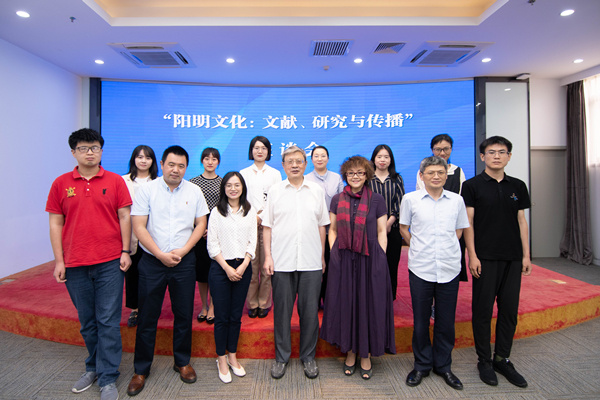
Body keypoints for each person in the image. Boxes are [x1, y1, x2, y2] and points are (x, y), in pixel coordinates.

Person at [46, 128, 132, 400]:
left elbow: (124, 217)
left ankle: (108, 377)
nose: (90, 152)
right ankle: (93, 366)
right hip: (74, 263)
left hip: (109, 261)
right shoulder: (61, 184)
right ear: (74, 152)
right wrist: (59, 260)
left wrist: (126, 251)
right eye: (84, 148)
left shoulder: (115, 181)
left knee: (107, 320)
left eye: (95, 147)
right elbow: (55, 222)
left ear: (101, 151)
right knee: (87, 321)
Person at [127, 146, 209, 396]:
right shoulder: (147, 190)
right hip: (153, 262)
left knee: (183, 315)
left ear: (186, 167)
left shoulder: (194, 190)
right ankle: (141, 369)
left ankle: (182, 362)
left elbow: (201, 224)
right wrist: (160, 254)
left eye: (181, 166)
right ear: (162, 164)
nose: (176, 170)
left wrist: (183, 251)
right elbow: (139, 226)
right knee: (147, 317)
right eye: (171, 164)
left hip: (184, 262)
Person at [462, 136, 532, 388]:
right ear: (482, 157)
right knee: (482, 311)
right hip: (485, 257)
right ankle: (484, 360)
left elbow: (521, 222)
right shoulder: (472, 185)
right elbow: (468, 223)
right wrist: (472, 255)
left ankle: (502, 357)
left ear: (509, 156)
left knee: (509, 311)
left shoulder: (518, 186)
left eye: (502, 152)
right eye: (491, 152)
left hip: (513, 257)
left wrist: (526, 254)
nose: (496, 156)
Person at [320, 155, 396, 380]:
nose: (355, 176)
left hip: (370, 258)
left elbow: (382, 232)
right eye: (351, 173)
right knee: (348, 304)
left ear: (367, 175)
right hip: (344, 257)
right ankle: (350, 352)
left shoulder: (377, 200)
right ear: (345, 176)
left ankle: (366, 355)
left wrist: (380, 256)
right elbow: (332, 229)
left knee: (368, 305)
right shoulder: (336, 199)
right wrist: (335, 253)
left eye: (360, 173)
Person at [400, 156, 469, 390]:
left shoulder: (457, 200)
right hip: (421, 267)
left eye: (440, 172)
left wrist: (445, 248)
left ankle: (444, 366)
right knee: (420, 321)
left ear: (446, 175)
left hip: (449, 267)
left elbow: (459, 230)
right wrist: (419, 247)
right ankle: (421, 365)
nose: (436, 176)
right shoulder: (410, 199)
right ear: (422, 176)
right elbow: (403, 228)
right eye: (431, 172)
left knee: (446, 321)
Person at [261, 146, 330, 380]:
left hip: (311, 260)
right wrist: (268, 256)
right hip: (282, 261)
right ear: (283, 165)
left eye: (299, 161)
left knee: (310, 313)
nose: (294, 165)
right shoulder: (275, 190)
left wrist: (321, 256)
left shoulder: (317, 191)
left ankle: (308, 357)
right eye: (289, 161)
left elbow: (322, 225)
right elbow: (267, 226)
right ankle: (281, 358)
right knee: (281, 313)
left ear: (305, 164)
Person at [207, 172, 257, 383]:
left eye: (237, 185)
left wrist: (244, 264)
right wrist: (227, 268)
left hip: (243, 267)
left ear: (243, 187)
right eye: (229, 185)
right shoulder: (216, 212)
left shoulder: (249, 210)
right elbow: (212, 244)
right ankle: (221, 358)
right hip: (221, 267)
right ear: (224, 188)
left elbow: (252, 241)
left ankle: (233, 356)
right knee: (222, 316)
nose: (233, 188)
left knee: (235, 316)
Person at [416, 134, 468, 281]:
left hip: (451, 223)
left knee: (450, 266)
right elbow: (423, 194)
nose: (442, 153)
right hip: (429, 222)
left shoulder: (458, 171)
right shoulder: (423, 171)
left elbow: (460, 197)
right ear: (432, 150)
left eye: (446, 149)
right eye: (438, 149)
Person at [240, 136, 282, 319]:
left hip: (268, 225)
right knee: (251, 267)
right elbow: (239, 198)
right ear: (251, 151)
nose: (259, 151)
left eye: (263, 148)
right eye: (256, 148)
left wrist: (262, 216)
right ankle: (252, 303)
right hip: (247, 225)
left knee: (266, 266)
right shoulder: (243, 173)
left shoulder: (275, 174)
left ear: (268, 151)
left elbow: (276, 200)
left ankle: (264, 302)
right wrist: (252, 217)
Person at [122, 145, 158, 328]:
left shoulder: (158, 182)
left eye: (148, 157)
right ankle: (135, 309)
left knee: (151, 275)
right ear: (133, 159)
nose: (143, 160)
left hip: (152, 236)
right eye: (139, 157)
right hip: (131, 237)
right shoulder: (123, 181)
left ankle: (149, 309)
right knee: (133, 274)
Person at [304, 145, 344, 307]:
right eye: (316, 156)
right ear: (311, 159)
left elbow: (343, 202)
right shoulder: (306, 179)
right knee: (314, 266)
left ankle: (329, 298)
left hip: (334, 229)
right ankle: (314, 299)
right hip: (312, 230)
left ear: (328, 158)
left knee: (331, 264)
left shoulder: (337, 178)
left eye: (323, 156)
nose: (319, 159)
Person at [190, 147, 223, 325]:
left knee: (216, 271)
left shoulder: (224, 182)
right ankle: (204, 305)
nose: (210, 162)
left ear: (218, 162)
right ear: (202, 161)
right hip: (198, 229)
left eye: (214, 159)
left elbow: (226, 209)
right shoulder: (193, 183)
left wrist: (214, 229)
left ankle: (214, 306)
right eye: (207, 158)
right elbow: (188, 208)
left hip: (218, 229)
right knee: (202, 271)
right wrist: (199, 228)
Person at [369, 144, 405, 300]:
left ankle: (389, 297)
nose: (382, 160)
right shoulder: (367, 179)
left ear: (391, 160)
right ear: (374, 159)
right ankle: (372, 296)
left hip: (393, 230)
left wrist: (388, 224)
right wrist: (378, 226)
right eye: (379, 157)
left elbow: (400, 204)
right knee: (372, 265)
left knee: (391, 264)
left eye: (386, 157)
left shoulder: (396, 179)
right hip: (370, 230)